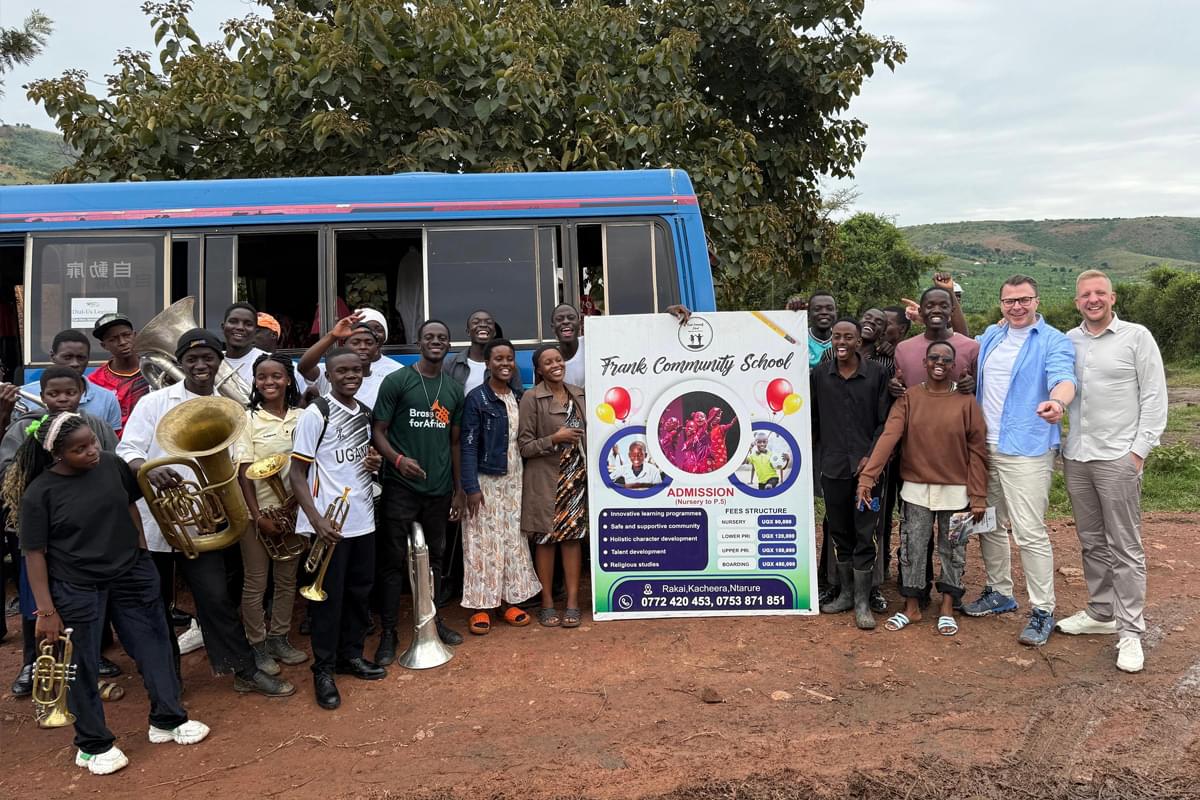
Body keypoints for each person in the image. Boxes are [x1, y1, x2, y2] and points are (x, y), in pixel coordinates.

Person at [16, 411, 210, 775]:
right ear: (58, 454)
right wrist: (46, 611)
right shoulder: (39, 494)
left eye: (92, 443)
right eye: (79, 449)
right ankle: (92, 745)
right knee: (81, 664)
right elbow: (34, 554)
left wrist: (142, 553)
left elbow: (129, 504)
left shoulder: (111, 464)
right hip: (76, 587)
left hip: (130, 572)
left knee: (155, 646)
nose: (92, 451)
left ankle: (168, 719)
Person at [116, 328, 295, 696]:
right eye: (192, 359)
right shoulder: (154, 402)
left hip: (205, 524)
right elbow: (127, 449)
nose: (200, 364)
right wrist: (146, 468)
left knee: (216, 599)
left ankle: (243, 671)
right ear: (180, 362)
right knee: (155, 604)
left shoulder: (230, 406)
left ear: (218, 361)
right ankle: (166, 679)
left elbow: (238, 459)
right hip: (157, 524)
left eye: (208, 358)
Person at [1058, 270, 1168, 673]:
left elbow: (1154, 395)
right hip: (1078, 456)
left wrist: (1138, 452)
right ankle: (1101, 613)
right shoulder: (1068, 341)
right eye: (1085, 294)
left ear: (1112, 297)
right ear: (1077, 302)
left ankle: (1131, 631)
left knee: (1124, 546)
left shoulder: (1136, 337)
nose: (1093, 299)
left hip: (1118, 457)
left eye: (1099, 293)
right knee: (1091, 541)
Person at [962, 275, 1077, 648]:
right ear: (1001, 304)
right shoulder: (992, 336)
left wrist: (1057, 402)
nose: (1017, 307)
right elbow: (964, 346)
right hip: (985, 446)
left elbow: (1064, 378)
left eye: (1024, 300)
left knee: (1028, 530)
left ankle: (1042, 609)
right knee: (987, 521)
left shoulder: (1053, 341)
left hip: (1026, 447)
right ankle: (999, 591)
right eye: (1010, 301)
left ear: (1037, 301)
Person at [1, 367, 121, 698]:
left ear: (82, 393)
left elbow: (114, 462)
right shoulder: (24, 426)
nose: (62, 399)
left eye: (70, 392)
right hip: (40, 530)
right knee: (37, 599)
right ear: (42, 396)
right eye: (53, 394)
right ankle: (33, 662)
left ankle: (91, 656)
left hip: (87, 529)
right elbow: (7, 473)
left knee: (89, 594)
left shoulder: (94, 424)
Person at [857, 340, 989, 636]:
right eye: (934, 358)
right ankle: (912, 607)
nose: (939, 363)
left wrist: (978, 495)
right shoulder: (909, 398)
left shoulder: (966, 401)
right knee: (913, 547)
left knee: (953, 549)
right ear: (925, 362)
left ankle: (947, 607)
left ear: (954, 365)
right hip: (916, 489)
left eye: (946, 359)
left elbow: (978, 450)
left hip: (956, 491)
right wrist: (868, 477)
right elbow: (889, 437)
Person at [290, 347, 386, 709]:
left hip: (363, 518)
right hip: (329, 524)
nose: (350, 376)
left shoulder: (364, 413)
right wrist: (315, 520)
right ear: (328, 376)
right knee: (327, 600)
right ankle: (324, 669)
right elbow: (296, 473)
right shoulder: (317, 412)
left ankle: (351, 655)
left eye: (356, 370)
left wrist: (373, 463)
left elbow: (359, 462)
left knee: (360, 593)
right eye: (342, 371)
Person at [371, 319, 466, 663]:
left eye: (442, 337)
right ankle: (389, 632)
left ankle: (432, 621)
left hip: (438, 488)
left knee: (435, 559)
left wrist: (458, 489)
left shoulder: (453, 389)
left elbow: (455, 443)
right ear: (419, 342)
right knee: (393, 562)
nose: (435, 341)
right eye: (429, 337)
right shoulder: (398, 381)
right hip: (401, 487)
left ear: (449, 345)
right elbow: (377, 431)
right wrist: (397, 460)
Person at [809, 319, 890, 629]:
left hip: (868, 471)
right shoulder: (820, 375)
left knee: (865, 532)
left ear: (858, 341)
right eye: (837, 337)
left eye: (848, 337)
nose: (841, 342)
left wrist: (871, 456)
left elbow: (885, 422)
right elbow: (813, 420)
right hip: (832, 467)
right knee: (839, 531)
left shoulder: (877, 374)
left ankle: (862, 601)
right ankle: (845, 594)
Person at [459, 338, 540, 634]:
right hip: (486, 479)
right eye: (498, 359)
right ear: (487, 363)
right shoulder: (477, 399)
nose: (505, 364)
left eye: (509, 359)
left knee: (512, 540)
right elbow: (468, 445)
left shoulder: (519, 397)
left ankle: (509, 602)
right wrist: (470, 487)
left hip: (515, 479)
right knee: (481, 542)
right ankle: (481, 606)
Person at [234, 353, 308, 677]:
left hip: (293, 511)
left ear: (288, 380)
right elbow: (243, 473)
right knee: (256, 582)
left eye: (276, 376)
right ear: (255, 381)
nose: (269, 382)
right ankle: (258, 645)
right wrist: (258, 516)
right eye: (262, 377)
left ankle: (279, 638)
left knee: (287, 579)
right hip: (258, 515)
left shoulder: (303, 417)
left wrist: (296, 507)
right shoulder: (247, 419)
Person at [518, 344, 587, 628]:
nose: (555, 365)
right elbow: (524, 446)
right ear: (538, 369)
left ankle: (572, 603)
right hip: (546, 480)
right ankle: (546, 602)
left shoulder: (578, 394)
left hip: (575, 478)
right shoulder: (531, 397)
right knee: (545, 541)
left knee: (572, 539)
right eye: (548, 362)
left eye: (558, 360)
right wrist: (554, 439)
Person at [19, 330, 122, 433]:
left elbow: (111, 439)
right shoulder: (24, 395)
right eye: (67, 357)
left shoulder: (107, 399)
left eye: (81, 358)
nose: (75, 363)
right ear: (52, 356)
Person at [299, 309, 402, 410]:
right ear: (344, 345)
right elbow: (304, 367)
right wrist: (333, 336)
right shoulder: (331, 371)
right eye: (356, 342)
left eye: (369, 343)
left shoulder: (388, 380)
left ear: (376, 349)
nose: (363, 347)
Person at [891, 286, 979, 393]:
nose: (936, 310)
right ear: (920, 311)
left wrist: (973, 384)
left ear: (952, 311)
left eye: (944, 306)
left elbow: (982, 386)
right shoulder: (903, 349)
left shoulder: (972, 348)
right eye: (929, 306)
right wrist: (894, 386)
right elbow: (900, 383)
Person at [89, 313, 150, 432]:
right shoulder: (95, 381)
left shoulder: (156, 368)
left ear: (135, 335)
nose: (122, 342)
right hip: (115, 440)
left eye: (126, 335)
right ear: (104, 346)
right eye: (113, 339)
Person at [446, 309, 523, 395]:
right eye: (476, 322)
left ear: (494, 332)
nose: (483, 325)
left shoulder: (508, 366)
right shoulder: (451, 364)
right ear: (468, 332)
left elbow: (518, 396)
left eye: (488, 322)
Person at [221, 302, 269, 392]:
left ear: (256, 332)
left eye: (248, 324)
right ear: (223, 327)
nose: (240, 327)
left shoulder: (270, 362)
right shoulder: (211, 362)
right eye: (233, 322)